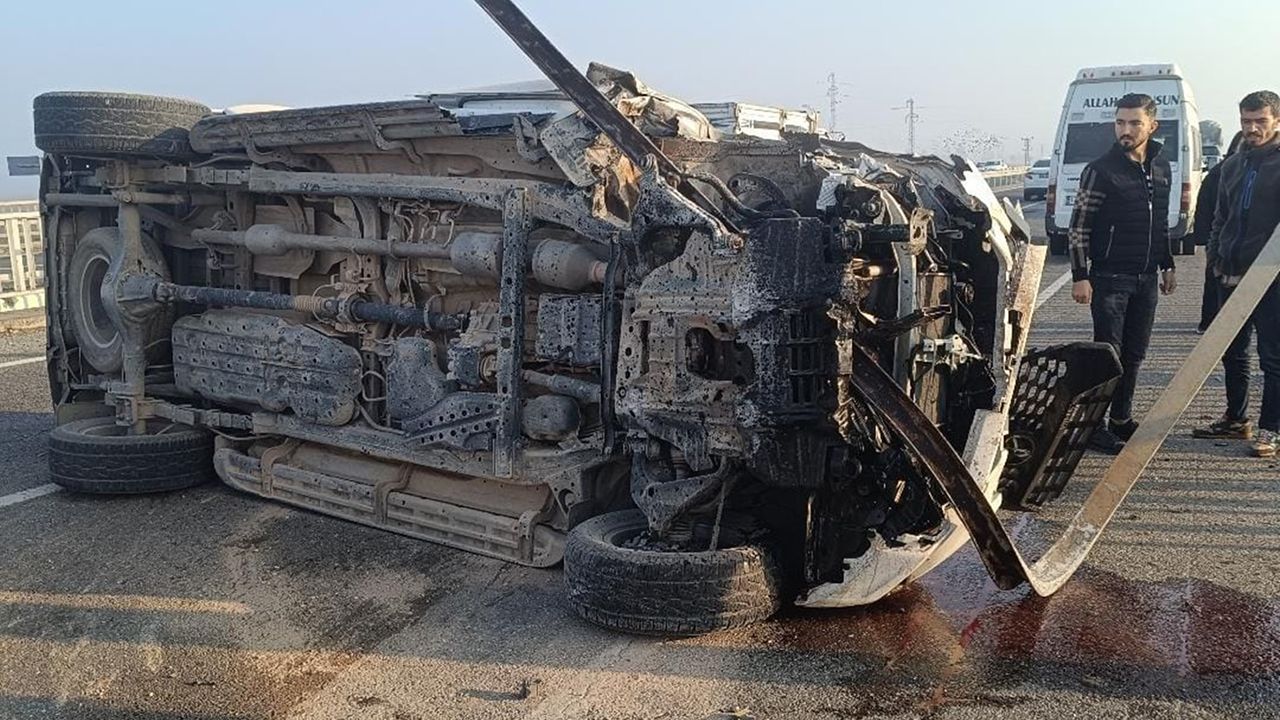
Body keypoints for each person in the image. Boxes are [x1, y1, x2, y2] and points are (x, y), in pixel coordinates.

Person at [1068, 93, 1177, 454]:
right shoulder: (1100, 170)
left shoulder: (1162, 168)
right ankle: (1093, 426)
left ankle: (1120, 418)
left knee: (1134, 354)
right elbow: (1079, 226)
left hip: (1146, 278)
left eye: (1134, 123)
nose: (1125, 130)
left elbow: (1160, 222)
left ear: (1152, 126)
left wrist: (1167, 263)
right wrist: (1080, 275)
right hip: (1110, 279)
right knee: (1108, 355)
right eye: (1119, 122)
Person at [1194, 91, 1280, 457]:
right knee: (1232, 351)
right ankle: (1236, 419)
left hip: (1270, 279)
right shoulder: (1232, 165)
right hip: (1228, 273)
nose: (1252, 128)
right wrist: (1215, 260)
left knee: (1273, 358)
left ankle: (1272, 429)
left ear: (1277, 121)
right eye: (1246, 121)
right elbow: (1221, 218)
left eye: (1261, 121)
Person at [1196, 132, 1245, 333]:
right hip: (1221, 239)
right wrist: (1204, 239)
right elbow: (1205, 205)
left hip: (1248, 241)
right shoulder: (1220, 172)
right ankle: (1209, 321)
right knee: (1214, 282)